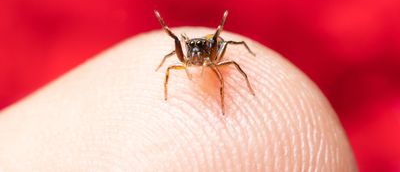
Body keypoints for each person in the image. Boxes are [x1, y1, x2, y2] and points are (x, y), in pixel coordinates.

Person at [0, 28, 357, 171]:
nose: (196, 54)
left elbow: (228, 47)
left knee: (228, 54)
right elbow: (172, 61)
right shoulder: (182, 57)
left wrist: (235, 93)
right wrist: (164, 69)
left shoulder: (215, 56)